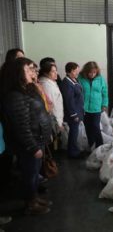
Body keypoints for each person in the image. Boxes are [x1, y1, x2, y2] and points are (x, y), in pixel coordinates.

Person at [1, 57, 52, 215]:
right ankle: (30, 204)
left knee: (34, 174)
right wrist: (33, 147)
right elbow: (21, 127)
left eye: (33, 69)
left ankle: (34, 198)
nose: (34, 71)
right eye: (29, 69)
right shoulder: (14, 96)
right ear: (18, 73)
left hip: (38, 138)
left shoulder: (28, 89)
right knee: (29, 176)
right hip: (30, 144)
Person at [78, 61, 108, 150]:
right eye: (90, 72)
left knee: (95, 126)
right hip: (84, 108)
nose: (92, 74)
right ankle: (91, 146)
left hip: (96, 108)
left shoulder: (101, 79)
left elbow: (105, 93)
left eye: (94, 72)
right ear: (86, 71)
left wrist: (104, 104)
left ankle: (100, 146)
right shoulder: (80, 79)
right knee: (88, 128)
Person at [61, 62, 84, 158]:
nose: (77, 72)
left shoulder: (74, 79)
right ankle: (72, 153)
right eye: (75, 71)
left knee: (74, 132)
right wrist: (74, 114)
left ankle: (74, 150)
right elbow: (69, 100)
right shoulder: (67, 83)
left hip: (78, 111)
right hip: (73, 113)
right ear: (70, 71)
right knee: (73, 133)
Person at [39, 60, 64, 132]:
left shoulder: (51, 82)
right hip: (54, 121)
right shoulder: (46, 85)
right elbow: (52, 106)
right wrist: (58, 123)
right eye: (53, 71)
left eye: (56, 70)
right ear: (46, 73)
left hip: (57, 119)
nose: (56, 73)